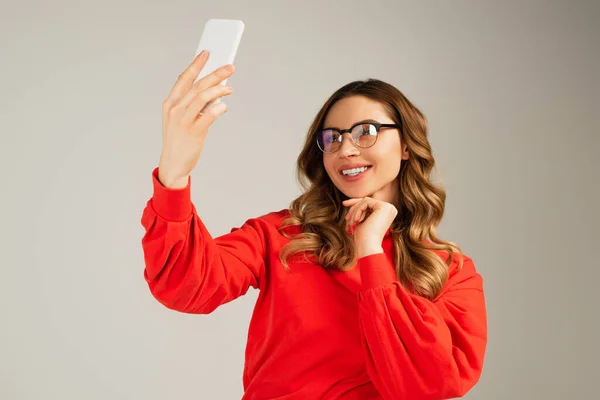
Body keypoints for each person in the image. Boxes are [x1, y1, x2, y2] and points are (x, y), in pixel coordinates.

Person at [141, 50, 488, 399]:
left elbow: (425, 385)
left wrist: (370, 251)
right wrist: (174, 173)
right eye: (332, 138)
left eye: (365, 132)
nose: (346, 149)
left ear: (407, 146)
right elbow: (185, 285)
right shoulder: (280, 236)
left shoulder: (451, 273)